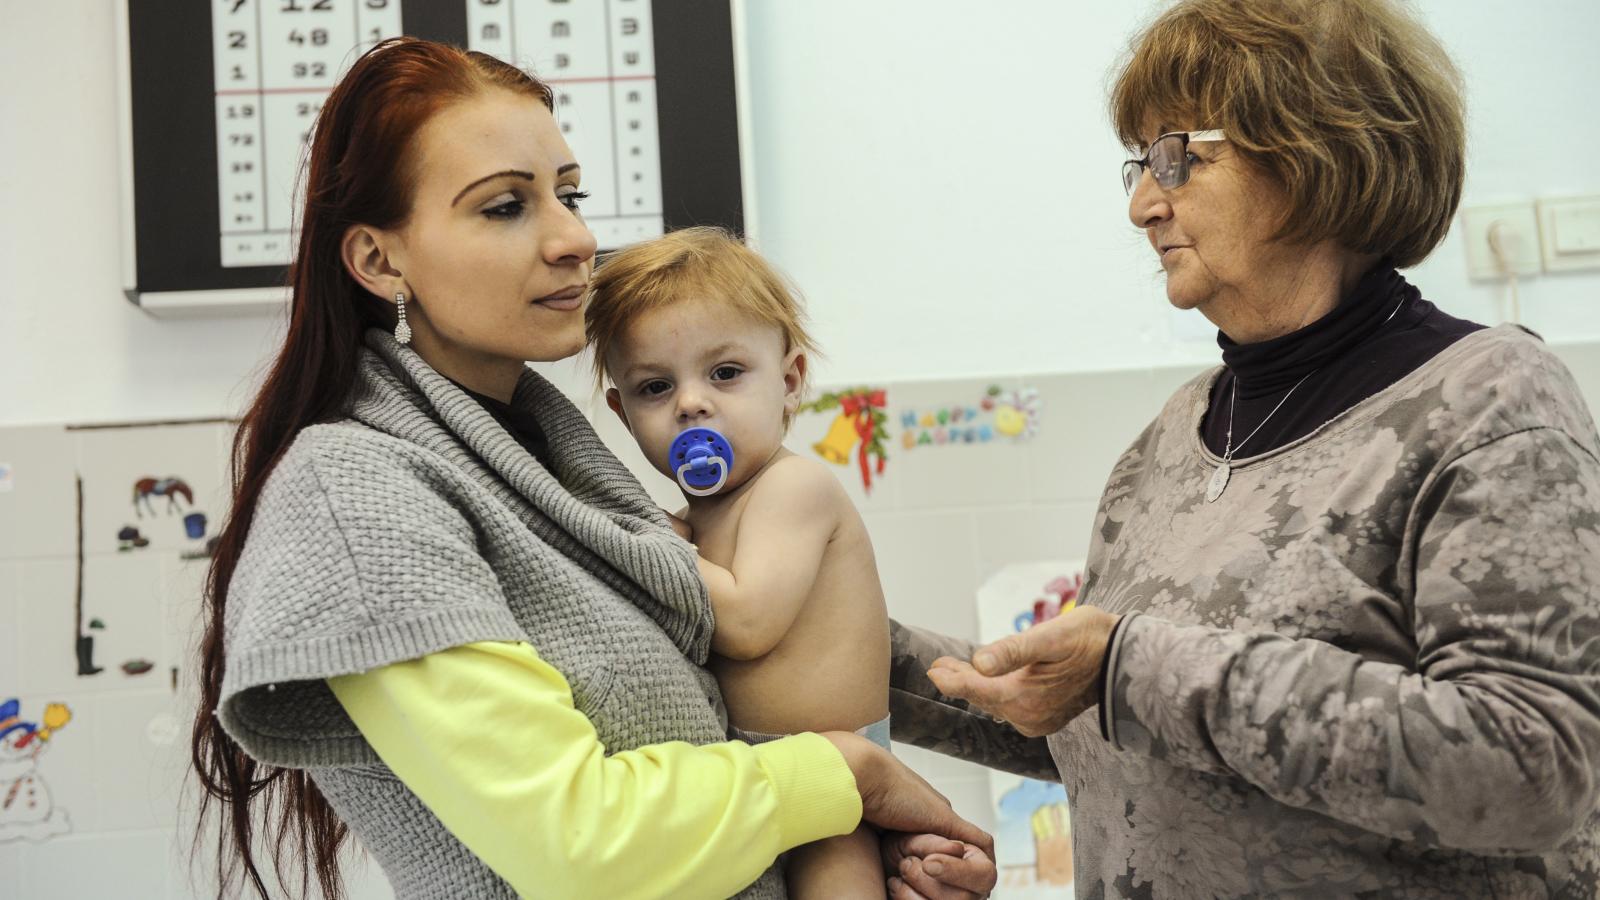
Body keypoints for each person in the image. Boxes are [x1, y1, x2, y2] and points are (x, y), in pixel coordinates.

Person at [189, 37, 997, 900]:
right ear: (380, 260)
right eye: (506, 207)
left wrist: (881, 855)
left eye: (569, 195)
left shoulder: (554, 466)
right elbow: (584, 844)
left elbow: (738, 723)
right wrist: (850, 778)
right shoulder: (359, 494)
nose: (575, 238)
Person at [891, 0, 1600, 896]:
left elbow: (1531, 765)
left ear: (1313, 151)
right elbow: (1097, 720)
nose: (1144, 205)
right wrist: (856, 657)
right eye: (1139, 165)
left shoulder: (1488, 401)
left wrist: (1129, 665)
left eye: (1175, 157)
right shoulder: (1169, 443)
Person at [586, 226, 901, 898]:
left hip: (833, 775)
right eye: (654, 388)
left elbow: (750, 622)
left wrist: (649, 541)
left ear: (789, 382)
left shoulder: (795, 488)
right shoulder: (701, 515)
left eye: (724, 373)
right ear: (622, 411)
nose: (691, 402)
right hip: (757, 779)